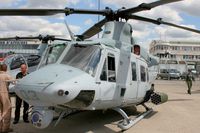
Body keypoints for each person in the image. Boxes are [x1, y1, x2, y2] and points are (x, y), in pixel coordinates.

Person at [0, 64, 15, 133]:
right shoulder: (6, 75)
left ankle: (0, 128)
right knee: (7, 111)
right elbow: (15, 82)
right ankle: (5, 129)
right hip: (4, 94)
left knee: (0, 111)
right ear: (6, 69)